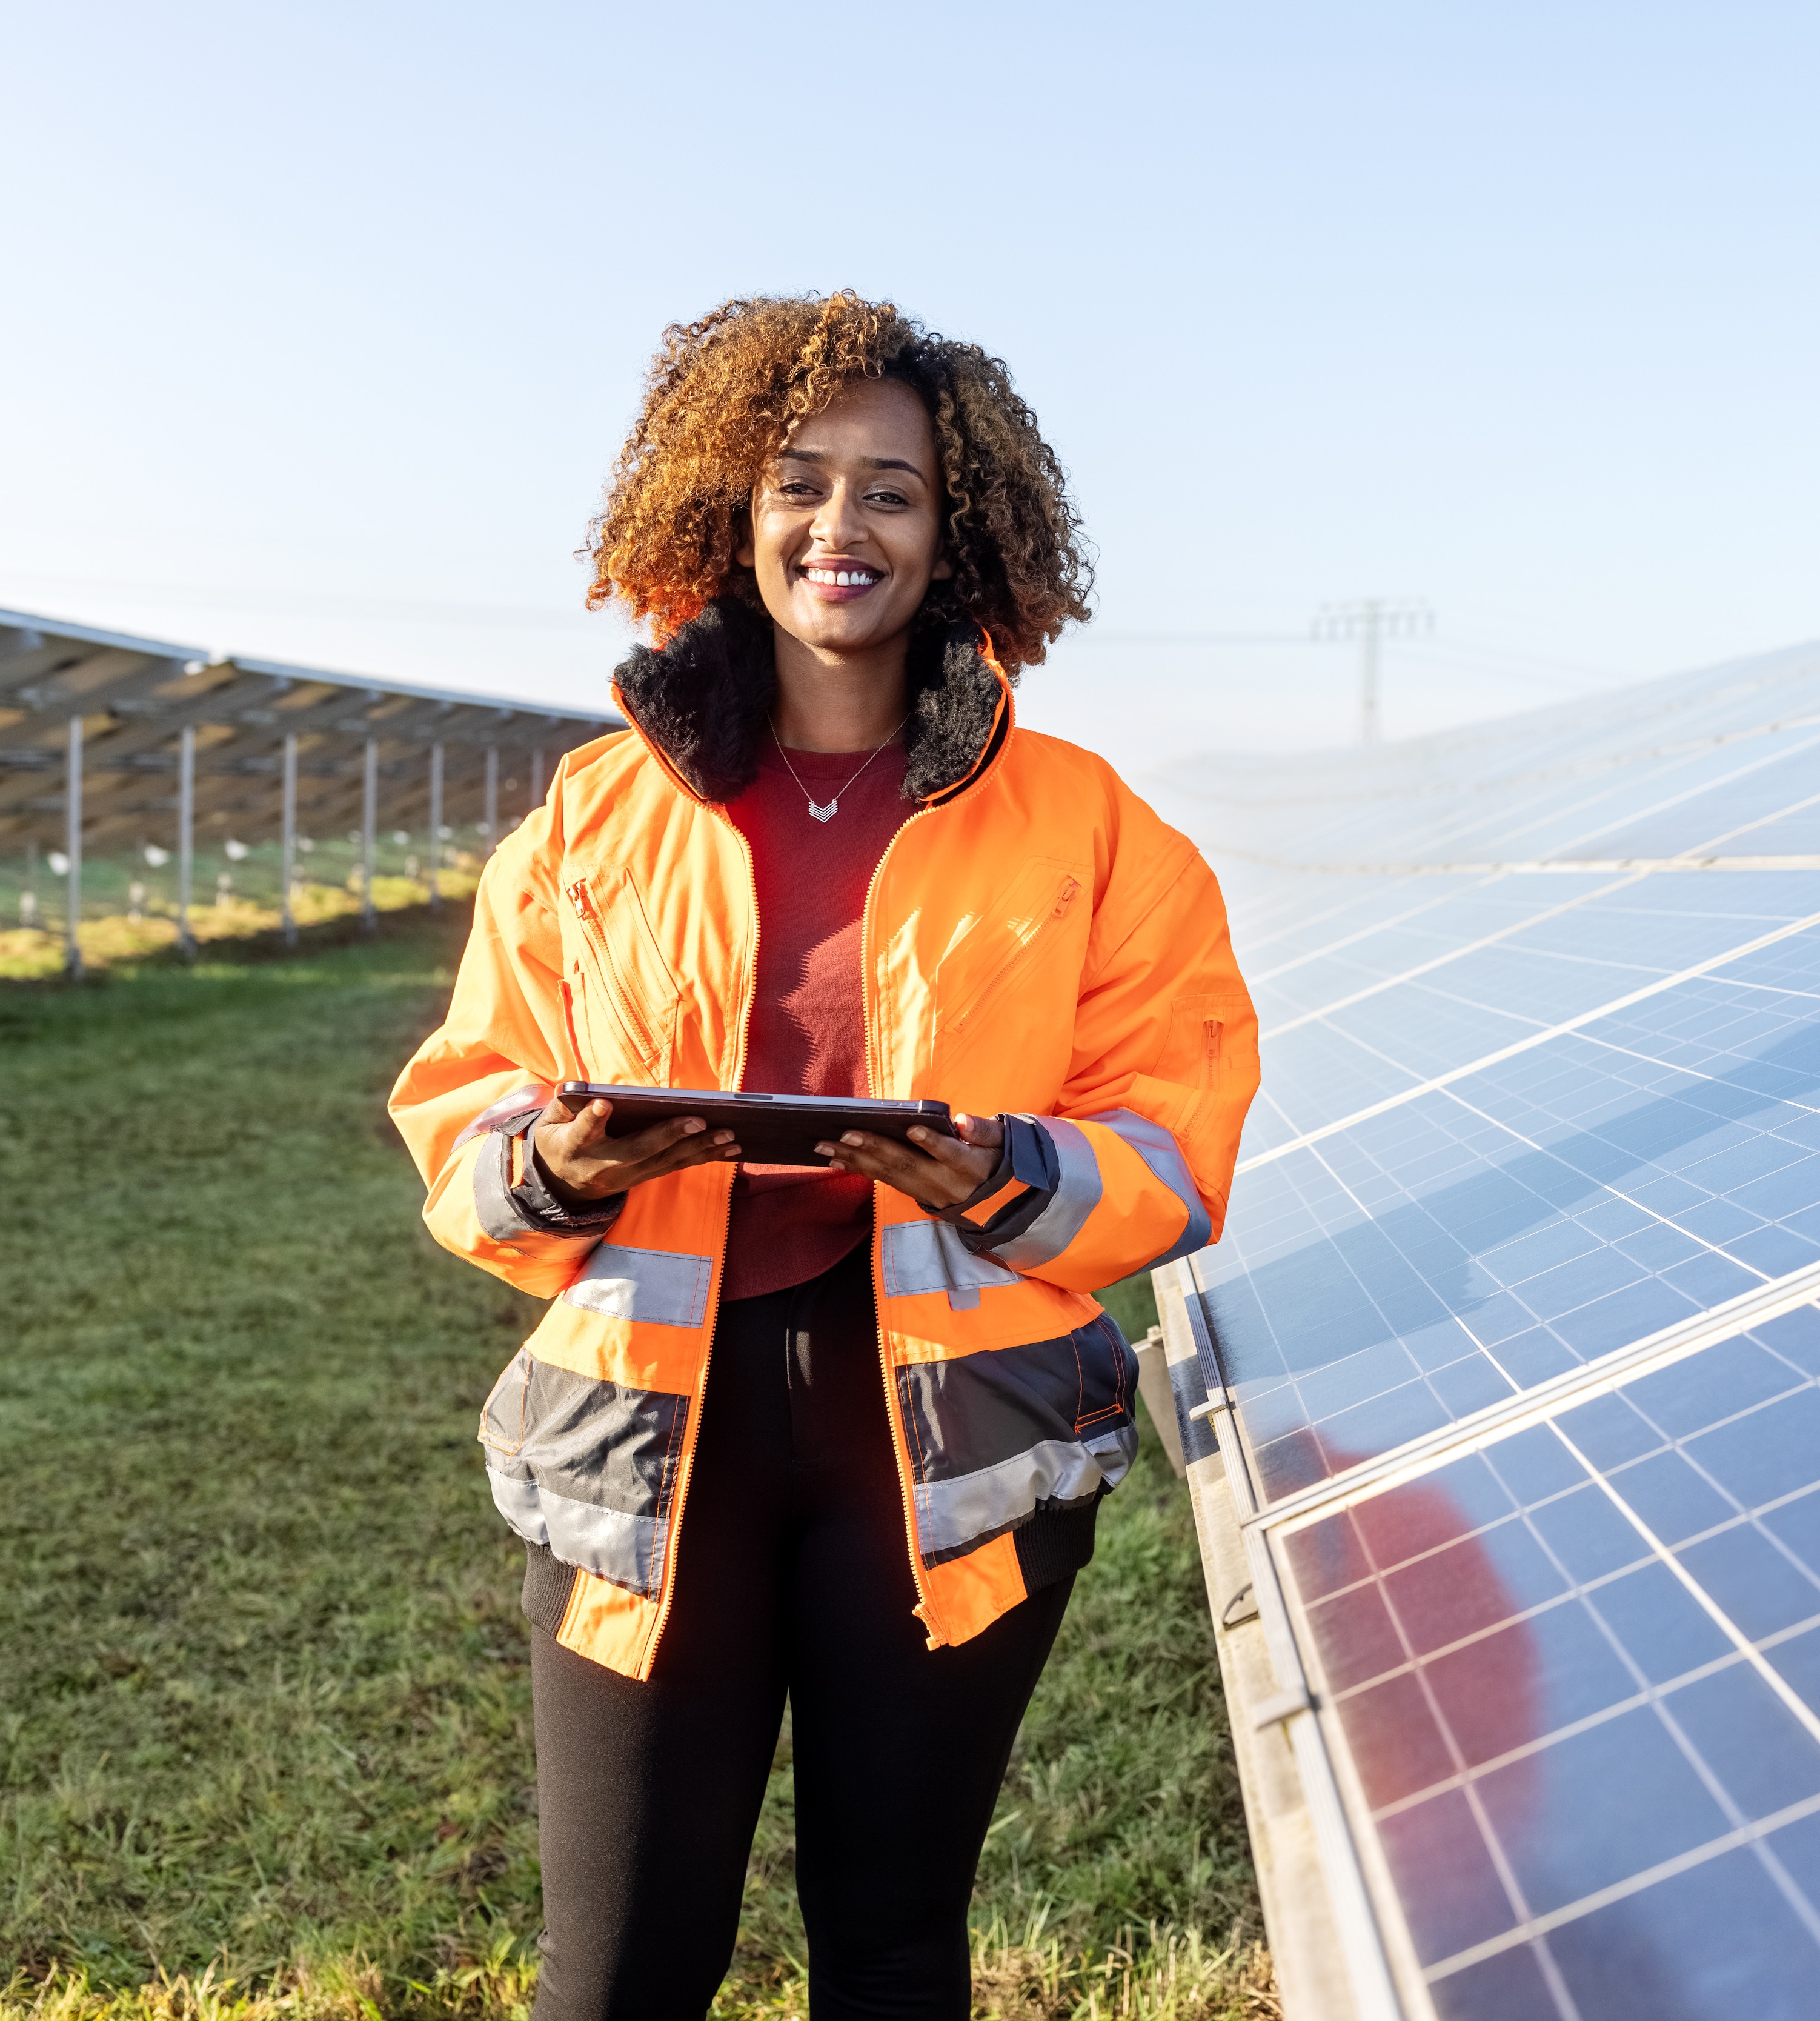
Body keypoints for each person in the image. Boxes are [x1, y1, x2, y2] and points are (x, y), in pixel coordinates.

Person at [387, 290, 1260, 2020]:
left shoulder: (1095, 829)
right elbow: (463, 1101)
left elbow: (1177, 1126)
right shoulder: (596, 811)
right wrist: (561, 1157)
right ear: (729, 509)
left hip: (952, 1440)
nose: (839, 527)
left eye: (892, 490)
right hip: (647, 1436)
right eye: (798, 483)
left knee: (892, 1953)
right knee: (618, 1972)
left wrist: (1007, 1173)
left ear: (963, 533)